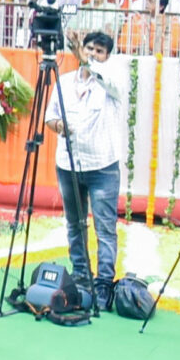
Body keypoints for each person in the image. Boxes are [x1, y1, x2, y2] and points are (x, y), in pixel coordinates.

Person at [44, 30, 125, 311]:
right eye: (89, 48)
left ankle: (104, 284)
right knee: (75, 224)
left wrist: (86, 61)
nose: (92, 54)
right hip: (67, 164)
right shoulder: (64, 82)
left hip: (102, 166)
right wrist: (59, 127)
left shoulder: (112, 83)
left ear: (107, 57)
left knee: (105, 228)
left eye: (99, 51)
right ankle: (80, 276)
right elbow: (49, 117)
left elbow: (104, 77)